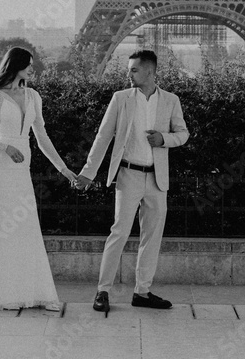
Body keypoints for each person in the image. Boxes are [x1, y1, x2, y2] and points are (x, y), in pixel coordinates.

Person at [74, 49, 189, 313]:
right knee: (119, 233)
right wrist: (88, 173)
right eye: (129, 70)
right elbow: (103, 137)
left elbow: (183, 134)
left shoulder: (171, 100)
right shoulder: (121, 99)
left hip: (157, 179)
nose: (129, 74)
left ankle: (143, 292)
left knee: (152, 237)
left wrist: (164, 139)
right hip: (128, 175)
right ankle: (102, 291)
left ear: (150, 71)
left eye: (134, 70)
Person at [0, 46, 76, 312]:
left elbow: (42, 138)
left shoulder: (33, 96)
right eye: (29, 64)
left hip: (21, 168)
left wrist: (64, 169)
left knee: (25, 225)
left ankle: (32, 293)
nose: (33, 68)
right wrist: (5, 147)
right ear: (15, 65)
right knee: (0, 228)